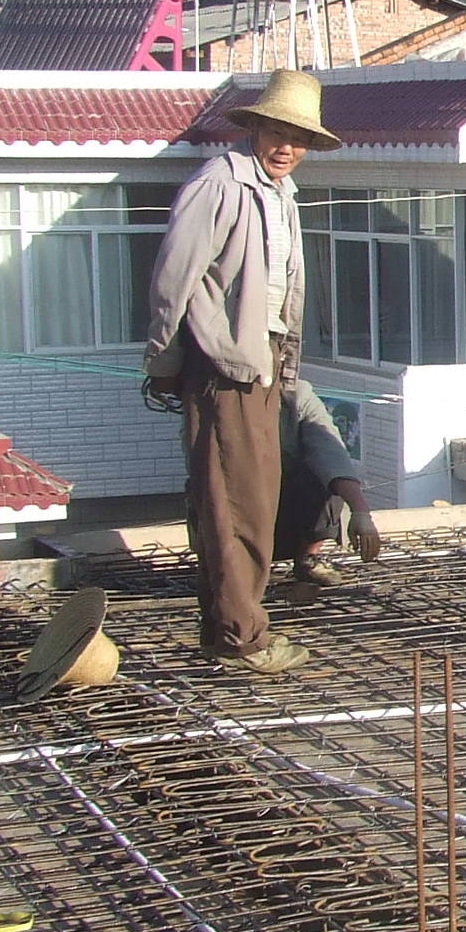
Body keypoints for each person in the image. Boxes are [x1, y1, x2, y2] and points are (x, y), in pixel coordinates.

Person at [144, 69, 339, 676]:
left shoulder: (279, 193)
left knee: (250, 500)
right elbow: (174, 278)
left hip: (261, 364)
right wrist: (166, 359)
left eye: (296, 137)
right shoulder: (221, 184)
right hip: (224, 363)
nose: (285, 146)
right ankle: (240, 637)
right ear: (253, 127)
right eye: (275, 131)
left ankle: (229, 625)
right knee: (235, 503)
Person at [275, 379, 383, 584]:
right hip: (233, 522)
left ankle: (308, 558)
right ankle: (224, 568)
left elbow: (330, 452)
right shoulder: (212, 392)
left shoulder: (295, 395)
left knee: (327, 478)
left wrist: (360, 512)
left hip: (283, 518)